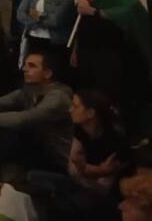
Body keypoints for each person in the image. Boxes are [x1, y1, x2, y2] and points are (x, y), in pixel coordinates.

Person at [0, 51, 73, 184]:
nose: (25, 69)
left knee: (13, 125)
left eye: (32, 66)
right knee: (3, 122)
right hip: (38, 149)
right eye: (25, 65)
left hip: (56, 159)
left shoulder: (58, 97)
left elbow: (24, 118)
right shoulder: (30, 90)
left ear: (47, 73)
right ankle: (0, 166)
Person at [27, 89, 134, 221]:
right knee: (33, 177)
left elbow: (102, 189)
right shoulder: (80, 129)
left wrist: (83, 168)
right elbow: (72, 169)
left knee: (60, 203)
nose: (70, 109)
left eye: (76, 106)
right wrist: (93, 170)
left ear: (90, 113)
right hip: (79, 184)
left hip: (105, 199)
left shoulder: (114, 143)